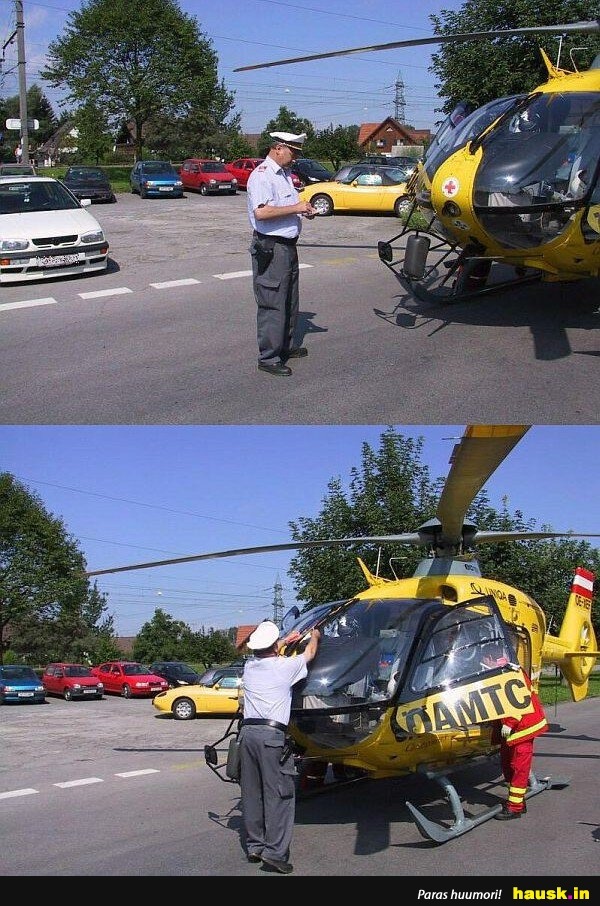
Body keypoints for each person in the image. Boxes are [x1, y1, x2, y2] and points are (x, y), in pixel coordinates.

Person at [239, 619, 320, 874]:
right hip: (271, 737)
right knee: (279, 793)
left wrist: (285, 640)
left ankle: (255, 846)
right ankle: (275, 853)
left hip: (247, 735)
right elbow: (310, 653)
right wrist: (315, 636)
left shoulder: (249, 666)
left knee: (252, 792)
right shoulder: (286, 666)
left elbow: (268, 651)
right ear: (275, 646)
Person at [246, 131, 317, 376]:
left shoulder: (284, 174)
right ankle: (268, 357)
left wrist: (303, 210)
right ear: (278, 148)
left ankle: (285, 346)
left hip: (287, 246)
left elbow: (285, 208)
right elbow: (261, 213)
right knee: (272, 301)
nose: (295, 157)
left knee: (289, 299)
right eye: (292, 152)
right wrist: (296, 207)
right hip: (271, 246)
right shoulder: (262, 175)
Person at [492, 669, 548, 820]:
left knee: (519, 768)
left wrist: (510, 722)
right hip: (511, 730)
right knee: (507, 765)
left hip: (522, 729)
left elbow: (520, 698)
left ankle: (515, 808)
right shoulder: (499, 670)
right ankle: (518, 801)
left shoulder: (513, 672)